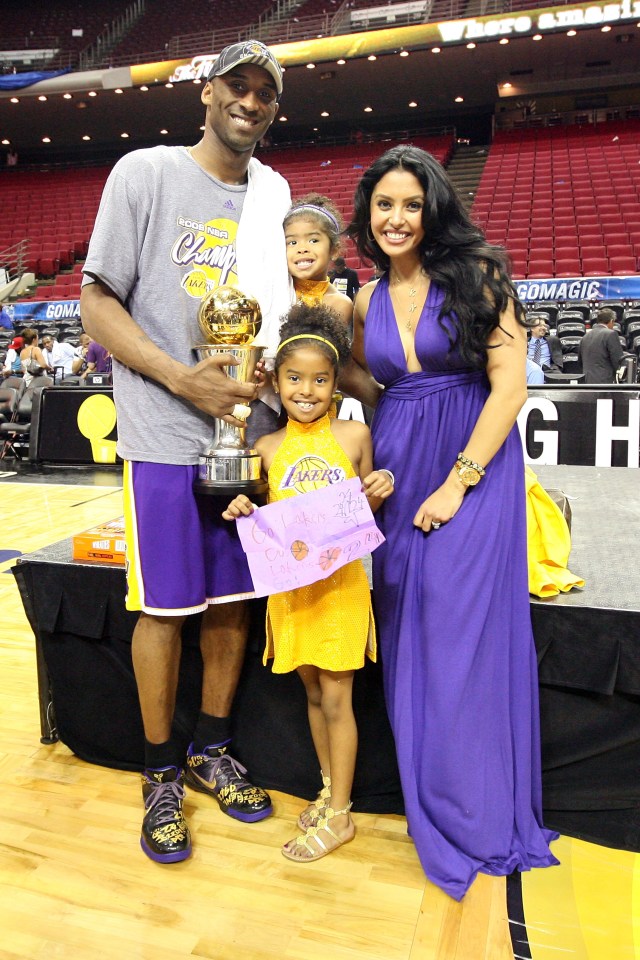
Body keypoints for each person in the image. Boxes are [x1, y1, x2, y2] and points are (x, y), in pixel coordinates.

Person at [80, 38, 293, 865]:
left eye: (263, 93)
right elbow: (97, 306)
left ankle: (211, 748)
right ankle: (161, 771)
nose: (249, 101)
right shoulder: (146, 173)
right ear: (207, 92)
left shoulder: (274, 201)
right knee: (166, 607)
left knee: (234, 604)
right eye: (236, 86)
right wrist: (183, 380)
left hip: (252, 435)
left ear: (275, 108)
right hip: (168, 435)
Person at [343, 144, 558, 900]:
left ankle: (476, 812)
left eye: (410, 204)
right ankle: (430, 796)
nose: (397, 218)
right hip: (398, 474)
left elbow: (509, 386)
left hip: (473, 467)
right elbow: (374, 398)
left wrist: (459, 483)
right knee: (408, 635)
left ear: (433, 208)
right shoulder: (364, 301)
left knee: (460, 632)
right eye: (384, 205)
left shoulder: (480, 277)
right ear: (367, 217)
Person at [222, 304, 394, 861]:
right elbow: (254, 510)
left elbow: (375, 502)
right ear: (276, 380)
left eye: (321, 379)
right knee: (314, 694)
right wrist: (242, 504)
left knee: (339, 697)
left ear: (336, 382)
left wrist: (381, 485)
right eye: (294, 378)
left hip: (341, 588)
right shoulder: (266, 448)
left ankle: (340, 815)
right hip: (291, 592)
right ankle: (328, 787)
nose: (306, 389)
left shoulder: (354, 436)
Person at [284, 194, 353, 327]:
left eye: (313, 240)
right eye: (292, 242)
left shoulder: (340, 304)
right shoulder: (274, 292)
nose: (302, 249)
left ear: (334, 250)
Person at [578, 307, 625, 383]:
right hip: (605, 383)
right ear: (611, 321)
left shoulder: (585, 336)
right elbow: (617, 360)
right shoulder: (611, 334)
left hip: (587, 382)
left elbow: (580, 361)